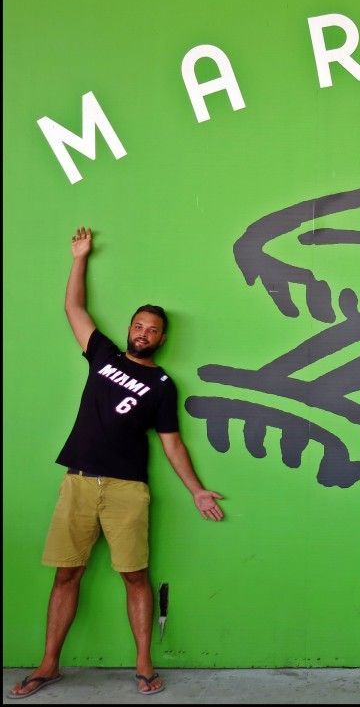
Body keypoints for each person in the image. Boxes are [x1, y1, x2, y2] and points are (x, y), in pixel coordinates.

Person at [8, 227, 225, 699]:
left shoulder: (164, 385)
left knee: (135, 576)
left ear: (163, 338)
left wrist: (196, 489)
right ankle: (49, 664)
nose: (144, 333)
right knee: (67, 574)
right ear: (130, 328)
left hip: (128, 489)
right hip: (79, 483)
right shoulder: (103, 355)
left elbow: (172, 444)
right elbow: (74, 309)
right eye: (139, 325)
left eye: (153, 329)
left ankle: (143, 664)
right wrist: (79, 257)